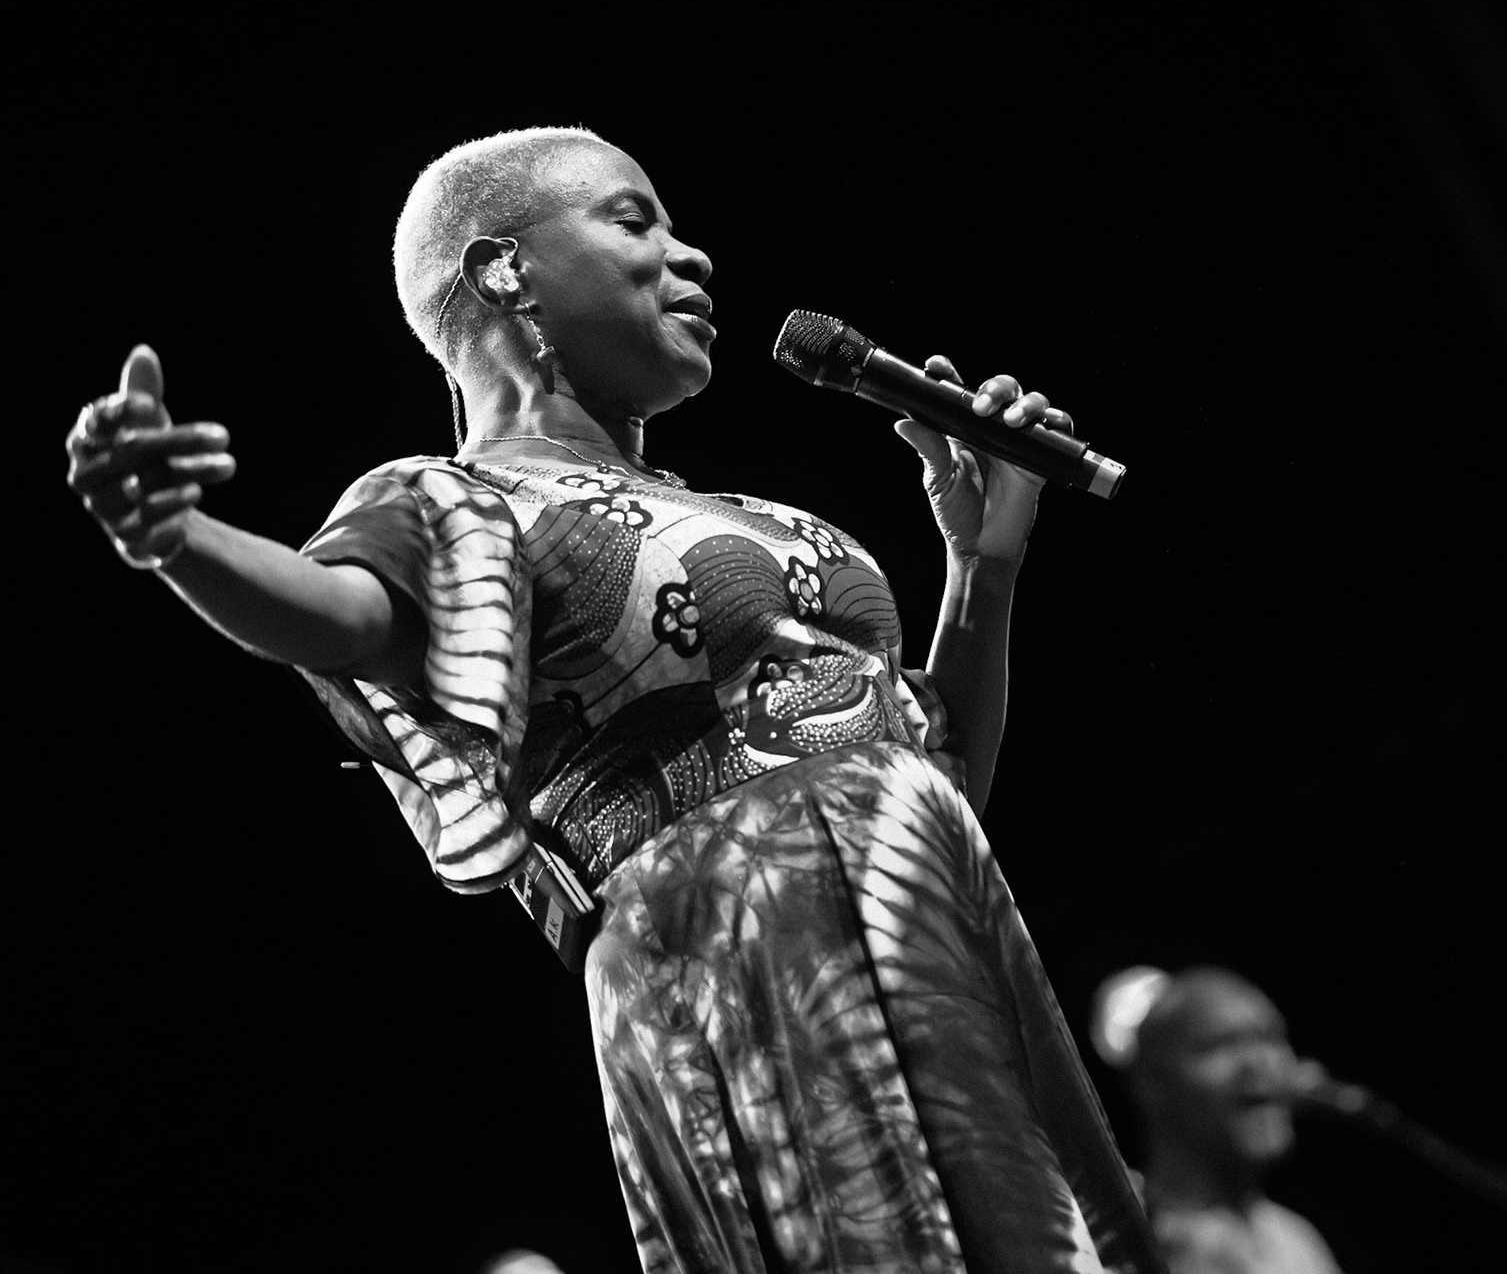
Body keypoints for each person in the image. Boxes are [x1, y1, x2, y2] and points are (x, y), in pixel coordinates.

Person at [65, 126, 1162, 1274]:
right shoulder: (455, 499)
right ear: (504, 270)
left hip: (946, 939)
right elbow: (336, 613)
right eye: (635, 220)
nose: (693, 257)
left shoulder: (753, 514)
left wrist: (983, 565)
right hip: (742, 958)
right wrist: (178, 538)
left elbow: (935, 785)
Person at [1100, 967, 1342, 1274]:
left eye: (1271, 1038)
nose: (1260, 1062)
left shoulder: (1299, 1241)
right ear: (1150, 1082)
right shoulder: (1116, 1244)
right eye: (1222, 1043)